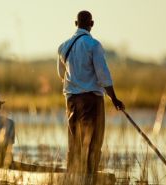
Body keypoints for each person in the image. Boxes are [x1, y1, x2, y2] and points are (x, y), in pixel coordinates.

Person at [57, 10, 125, 175]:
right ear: (91, 24)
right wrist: (114, 99)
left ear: (75, 24)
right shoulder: (94, 45)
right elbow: (103, 76)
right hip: (91, 100)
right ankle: (89, 175)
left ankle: (74, 174)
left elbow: (61, 74)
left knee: (75, 139)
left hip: (71, 101)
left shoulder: (63, 46)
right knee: (93, 139)